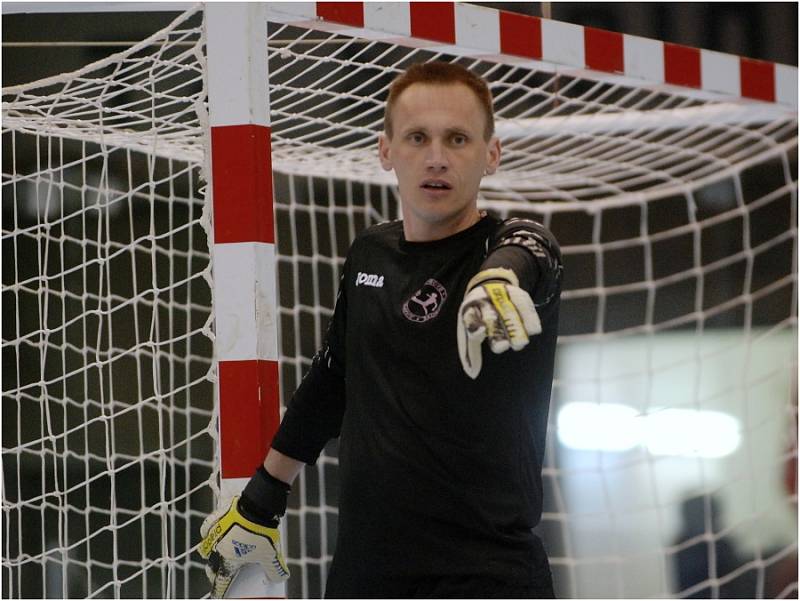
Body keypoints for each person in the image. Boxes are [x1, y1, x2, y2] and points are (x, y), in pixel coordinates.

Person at [199, 61, 563, 599]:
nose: (437, 157)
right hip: (364, 577)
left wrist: (499, 279)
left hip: (487, 578)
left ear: (491, 154)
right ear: (386, 150)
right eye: (418, 137)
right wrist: (262, 498)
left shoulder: (505, 249)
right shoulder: (371, 252)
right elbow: (333, 378)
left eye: (458, 139)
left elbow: (534, 248)